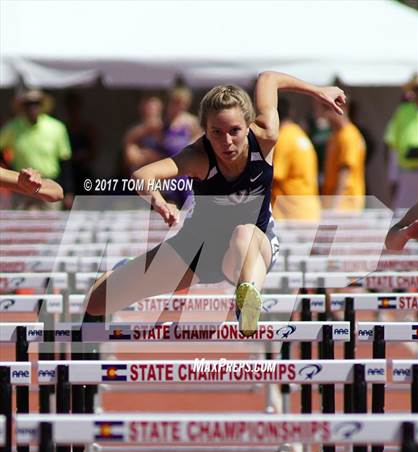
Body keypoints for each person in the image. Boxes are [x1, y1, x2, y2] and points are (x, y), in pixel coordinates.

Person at [86, 71, 345, 336]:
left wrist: (318, 90)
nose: (227, 142)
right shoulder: (198, 156)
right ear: (205, 132)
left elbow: (268, 78)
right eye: (216, 133)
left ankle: (247, 302)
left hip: (251, 248)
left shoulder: (265, 135)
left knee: (243, 234)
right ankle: (125, 268)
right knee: (96, 304)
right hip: (198, 249)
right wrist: (160, 202)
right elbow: (142, 176)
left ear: (248, 125)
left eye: (234, 131)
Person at [0, 89, 72, 207]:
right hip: (22, 189)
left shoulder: (57, 127)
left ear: (41, 105)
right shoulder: (11, 128)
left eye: (36, 103)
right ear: (23, 107)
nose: (32, 107)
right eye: (28, 104)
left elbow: (65, 164)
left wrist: (69, 190)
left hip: (40, 181)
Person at [271, 97, 320, 221]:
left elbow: (274, 175)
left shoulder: (283, 138)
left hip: (291, 212)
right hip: (308, 209)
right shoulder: (299, 134)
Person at [321, 100, 366, 211]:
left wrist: (335, 204)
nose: (325, 115)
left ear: (342, 109)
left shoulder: (349, 136)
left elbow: (345, 170)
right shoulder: (336, 135)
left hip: (346, 202)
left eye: (328, 110)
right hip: (335, 200)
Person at [384, 73, 418, 210]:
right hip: (407, 172)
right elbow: (392, 144)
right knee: (403, 214)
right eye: (417, 89)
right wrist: (393, 177)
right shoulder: (403, 111)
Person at [122, 95, 163, 174]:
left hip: (163, 179)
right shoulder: (133, 131)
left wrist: (147, 155)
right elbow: (130, 159)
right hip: (140, 178)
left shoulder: (168, 129)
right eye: (147, 106)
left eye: (152, 107)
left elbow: (168, 156)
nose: (149, 109)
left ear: (159, 108)